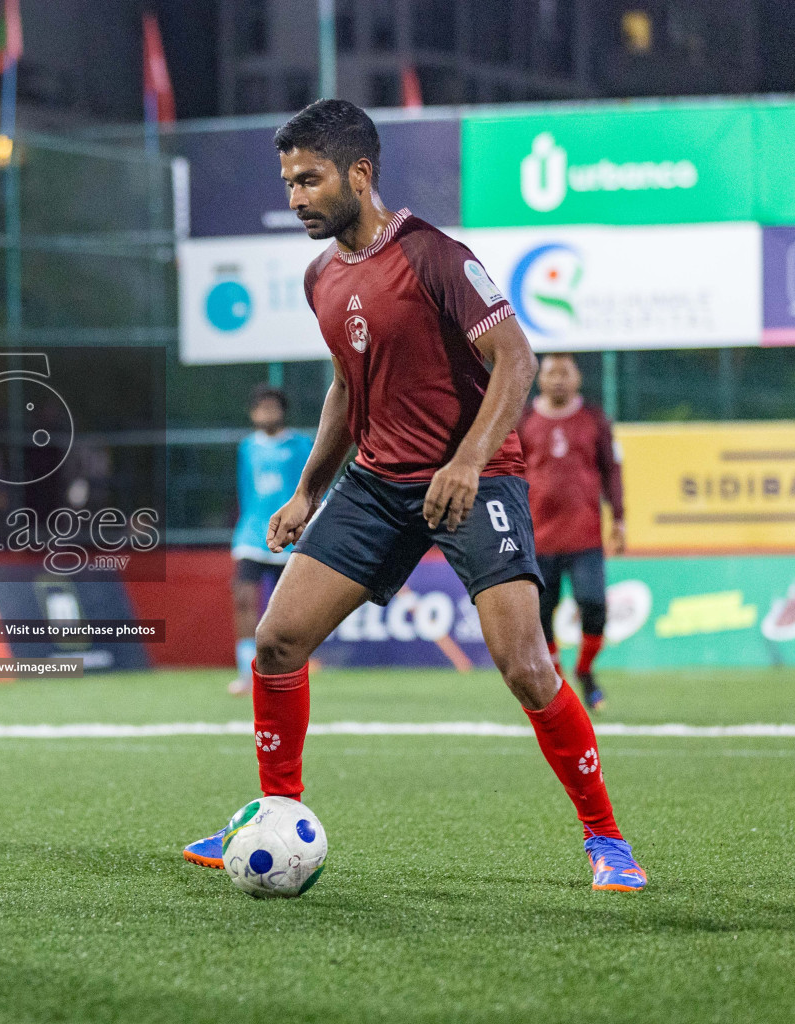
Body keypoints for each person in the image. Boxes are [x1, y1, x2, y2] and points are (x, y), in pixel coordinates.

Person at [181, 100, 646, 892]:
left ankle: (607, 841)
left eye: (309, 179)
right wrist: (307, 490)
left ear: (359, 174)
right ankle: (274, 813)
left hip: (478, 478)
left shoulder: (434, 255)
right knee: (278, 642)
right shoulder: (320, 276)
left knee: (528, 667)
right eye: (288, 182)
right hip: (375, 482)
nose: (295, 197)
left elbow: (517, 361)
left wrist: (466, 463)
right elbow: (343, 387)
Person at [518, 354, 623, 711]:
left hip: (585, 537)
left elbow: (612, 469)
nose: (558, 379)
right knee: (541, 616)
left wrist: (620, 518)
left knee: (593, 605)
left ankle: (585, 671)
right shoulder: (524, 420)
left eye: (565, 372)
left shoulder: (594, 418)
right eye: (551, 372)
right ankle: (558, 682)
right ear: (539, 378)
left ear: (577, 377)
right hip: (538, 538)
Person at [227, 385, 312, 696]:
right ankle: (245, 673)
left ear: (282, 411)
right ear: (252, 413)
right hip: (251, 536)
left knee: (286, 611)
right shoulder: (247, 447)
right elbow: (245, 492)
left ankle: (284, 671)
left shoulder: (302, 445)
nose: (266, 413)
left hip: (287, 539)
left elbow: (315, 489)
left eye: (271, 407)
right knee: (244, 600)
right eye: (260, 407)